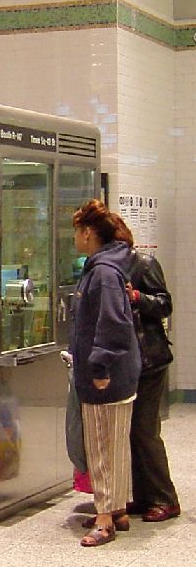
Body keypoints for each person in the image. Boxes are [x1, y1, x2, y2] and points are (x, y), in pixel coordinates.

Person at [69, 199, 141, 547]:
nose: (75, 239)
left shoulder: (103, 272)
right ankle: (118, 510)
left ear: (88, 233)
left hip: (105, 376)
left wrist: (98, 366)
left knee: (101, 446)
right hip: (117, 373)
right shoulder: (108, 267)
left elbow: (112, 324)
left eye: (77, 233)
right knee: (115, 444)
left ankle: (103, 519)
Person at [111, 214, 181, 522]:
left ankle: (165, 498)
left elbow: (164, 303)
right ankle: (143, 496)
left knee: (145, 430)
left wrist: (137, 297)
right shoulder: (107, 268)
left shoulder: (143, 263)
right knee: (132, 431)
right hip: (128, 360)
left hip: (150, 359)